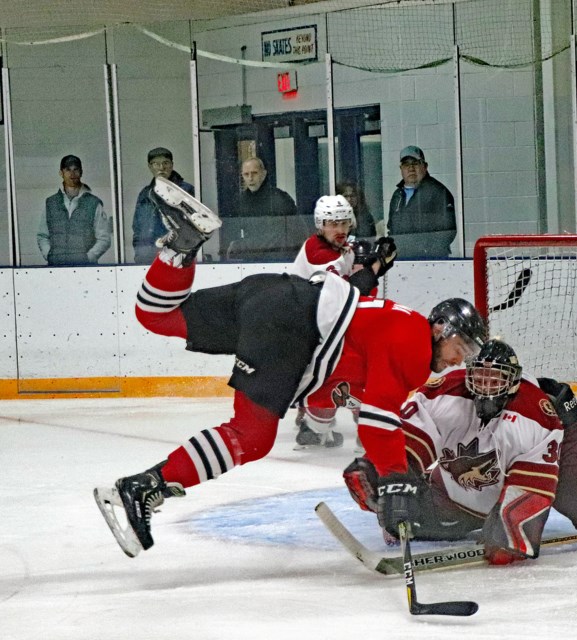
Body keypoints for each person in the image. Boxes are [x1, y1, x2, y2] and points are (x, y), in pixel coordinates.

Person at [93, 177, 488, 558]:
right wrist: (396, 479)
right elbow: (378, 421)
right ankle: (146, 486)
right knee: (253, 435)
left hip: (271, 295)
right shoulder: (415, 342)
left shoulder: (394, 331)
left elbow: (364, 408)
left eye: (469, 354)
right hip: (290, 324)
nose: (460, 359)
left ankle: (180, 246)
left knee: (156, 315)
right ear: (440, 327)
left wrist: (385, 469)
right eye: (462, 346)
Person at [342, 339, 577, 565]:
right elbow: (408, 441)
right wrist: (391, 479)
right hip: (465, 484)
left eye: (494, 380)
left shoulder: (535, 415)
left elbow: (532, 487)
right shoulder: (444, 394)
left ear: (512, 383)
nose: (485, 388)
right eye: (479, 379)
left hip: (556, 449)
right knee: (409, 513)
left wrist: (512, 529)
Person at [290, 194, 397, 448]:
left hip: (320, 331)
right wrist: (376, 264)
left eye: (343, 223)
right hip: (304, 334)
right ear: (320, 225)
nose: (339, 229)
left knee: (341, 375)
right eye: (332, 224)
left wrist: (377, 263)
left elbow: (358, 285)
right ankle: (364, 427)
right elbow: (350, 293)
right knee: (357, 373)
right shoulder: (318, 252)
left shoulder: (340, 248)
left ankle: (315, 425)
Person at [221, 157, 304, 261]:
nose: (250, 178)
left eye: (254, 173)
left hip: (278, 258)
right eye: (246, 174)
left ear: (263, 174)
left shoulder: (280, 198)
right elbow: (231, 235)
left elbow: (298, 231)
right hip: (251, 258)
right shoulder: (239, 201)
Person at [37, 154, 112, 265]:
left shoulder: (93, 203)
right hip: (56, 268)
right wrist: (49, 255)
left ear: (81, 172)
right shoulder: (50, 203)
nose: (72, 174)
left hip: (85, 270)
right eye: (68, 170)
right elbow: (42, 235)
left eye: (75, 169)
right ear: (61, 173)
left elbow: (104, 238)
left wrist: (88, 258)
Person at [386, 145, 456, 259]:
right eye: (406, 164)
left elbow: (448, 231)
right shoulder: (397, 195)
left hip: (431, 261)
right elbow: (392, 229)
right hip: (401, 260)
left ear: (425, 166)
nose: (411, 168)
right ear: (401, 169)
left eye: (415, 163)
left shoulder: (438, 192)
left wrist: (428, 254)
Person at [132, 147, 195, 264]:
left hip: (174, 256)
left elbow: (194, 226)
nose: (161, 168)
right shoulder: (145, 193)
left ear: (172, 165)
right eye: (156, 164)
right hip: (145, 256)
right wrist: (139, 251)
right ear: (150, 166)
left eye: (165, 163)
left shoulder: (185, 190)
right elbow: (137, 227)